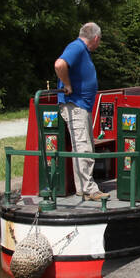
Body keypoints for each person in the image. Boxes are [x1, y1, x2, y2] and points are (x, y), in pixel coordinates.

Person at [54, 22, 108, 201]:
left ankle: (84, 188)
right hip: (74, 105)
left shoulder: (81, 50)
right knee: (83, 147)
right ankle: (88, 190)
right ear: (96, 38)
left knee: (85, 146)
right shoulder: (76, 47)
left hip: (80, 106)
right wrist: (67, 85)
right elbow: (60, 64)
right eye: (99, 41)